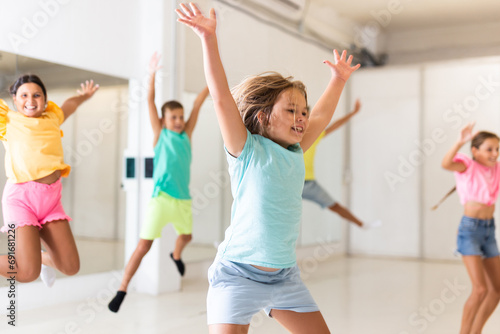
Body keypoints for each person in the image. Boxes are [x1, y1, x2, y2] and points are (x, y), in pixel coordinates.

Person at [176, 3, 359, 333]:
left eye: (302, 111)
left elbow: (320, 116)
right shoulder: (246, 150)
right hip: (236, 275)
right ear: (262, 117)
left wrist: (338, 80)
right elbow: (220, 98)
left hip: (284, 276)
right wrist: (208, 39)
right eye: (291, 110)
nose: (301, 117)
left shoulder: (295, 150)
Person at [108, 52, 210, 313]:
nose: (178, 121)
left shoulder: (187, 133)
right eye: (173, 117)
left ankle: (175, 255)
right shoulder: (160, 135)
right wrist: (152, 74)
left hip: (183, 200)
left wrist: (213, 75)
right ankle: (122, 288)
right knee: (144, 245)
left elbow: (199, 102)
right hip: (161, 198)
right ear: (164, 120)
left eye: (180, 116)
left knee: (187, 236)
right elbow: (150, 101)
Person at [0, 75, 99, 287]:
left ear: (45, 100)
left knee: (71, 267)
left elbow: (69, 106)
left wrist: (84, 97)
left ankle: (43, 259)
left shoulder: (52, 117)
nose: (31, 100)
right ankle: (35, 262)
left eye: (37, 95)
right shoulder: (8, 120)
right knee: (27, 272)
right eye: (24, 95)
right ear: (15, 100)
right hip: (21, 199)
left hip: (51, 200)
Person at [441, 122, 500, 334]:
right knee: (480, 289)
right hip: (470, 230)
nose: (494, 154)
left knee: (496, 290)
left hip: (488, 230)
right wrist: (459, 142)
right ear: (475, 151)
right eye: (489, 149)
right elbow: (446, 163)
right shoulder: (468, 166)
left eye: (497, 149)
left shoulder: (497, 168)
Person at [303, 99, 380, 229]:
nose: (303, 118)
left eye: (306, 114)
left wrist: (353, 113)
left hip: (309, 183)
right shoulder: (289, 136)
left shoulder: (315, 136)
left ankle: (363, 225)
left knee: (335, 205)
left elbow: (335, 125)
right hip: (289, 182)